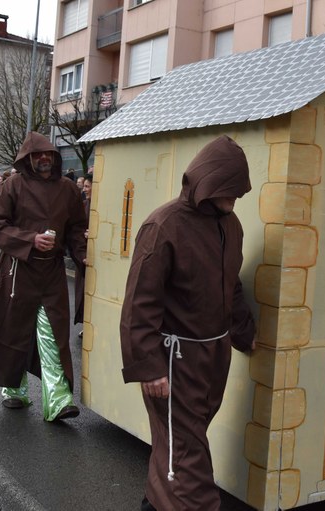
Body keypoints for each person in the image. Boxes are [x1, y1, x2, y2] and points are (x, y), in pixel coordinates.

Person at [120, 136, 256, 511]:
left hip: (213, 358)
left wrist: (244, 333)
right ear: (209, 182)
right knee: (187, 456)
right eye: (230, 189)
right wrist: (149, 366)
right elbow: (138, 304)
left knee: (179, 449)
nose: (235, 198)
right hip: (172, 362)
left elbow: (232, 284)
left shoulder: (232, 226)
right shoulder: (163, 226)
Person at [0, 131, 87, 422]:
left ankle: (59, 399)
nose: (44, 158)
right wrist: (30, 240)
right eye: (37, 155)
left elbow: (75, 228)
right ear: (28, 159)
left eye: (48, 154)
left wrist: (82, 254)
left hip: (51, 273)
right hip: (17, 270)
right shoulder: (12, 186)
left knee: (53, 335)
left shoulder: (69, 189)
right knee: (15, 330)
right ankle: (13, 389)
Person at [73, 174, 91, 330]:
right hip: (83, 254)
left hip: (95, 254)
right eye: (84, 186)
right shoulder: (83, 205)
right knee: (83, 292)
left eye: (87, 186)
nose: (84, 189)